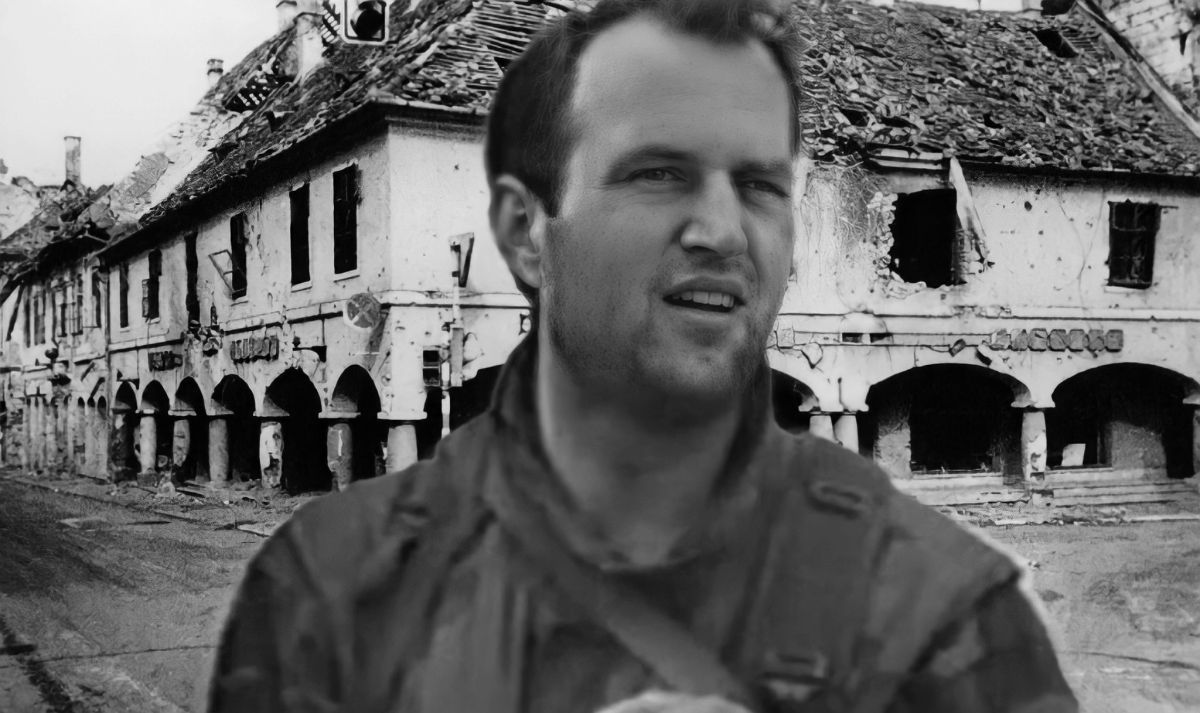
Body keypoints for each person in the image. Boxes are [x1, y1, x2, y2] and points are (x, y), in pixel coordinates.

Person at [209, 0, 1078, 711]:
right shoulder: (327, 594)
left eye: (762, 186)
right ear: (526, 231)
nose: (722, 232)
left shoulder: (948, 608)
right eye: (657, 174)